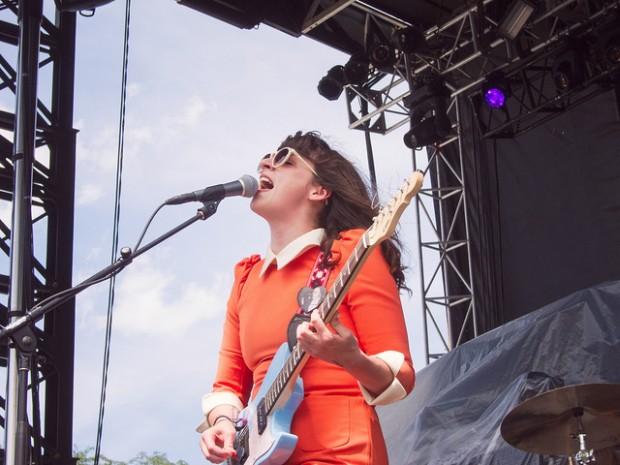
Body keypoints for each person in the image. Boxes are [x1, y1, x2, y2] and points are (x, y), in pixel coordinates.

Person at [198, 131, 415, 465]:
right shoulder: (246, 279)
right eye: (268, 155)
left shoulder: (353, 251)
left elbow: (400, 377)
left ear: (319, 190)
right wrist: (224, 424)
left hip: (340, 454)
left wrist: (350, 358)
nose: (266, 161)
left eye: (286, 158)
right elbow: (228, 384)